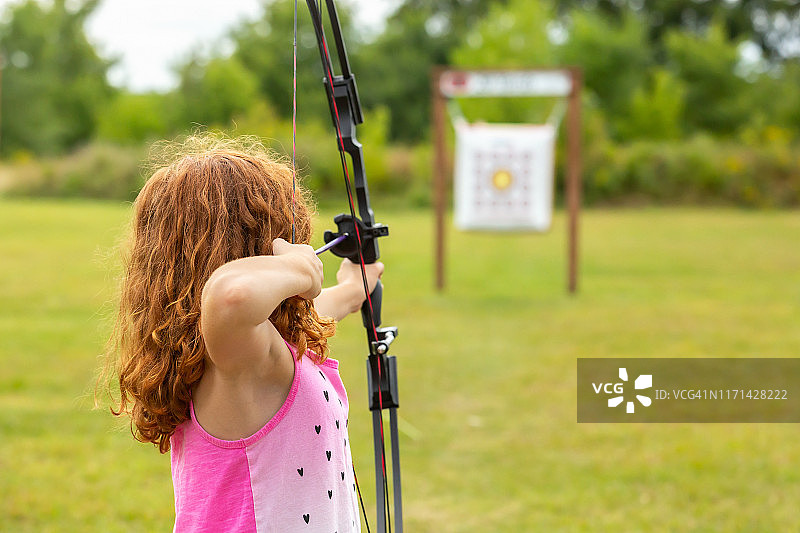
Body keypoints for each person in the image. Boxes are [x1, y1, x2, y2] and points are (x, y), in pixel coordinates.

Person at [102, 134, 382, 532]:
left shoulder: (252, 351)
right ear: (256, 248)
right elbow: (232, 297)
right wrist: (300, 270)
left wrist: (354, 287)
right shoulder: (242, 362)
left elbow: (311, 312)